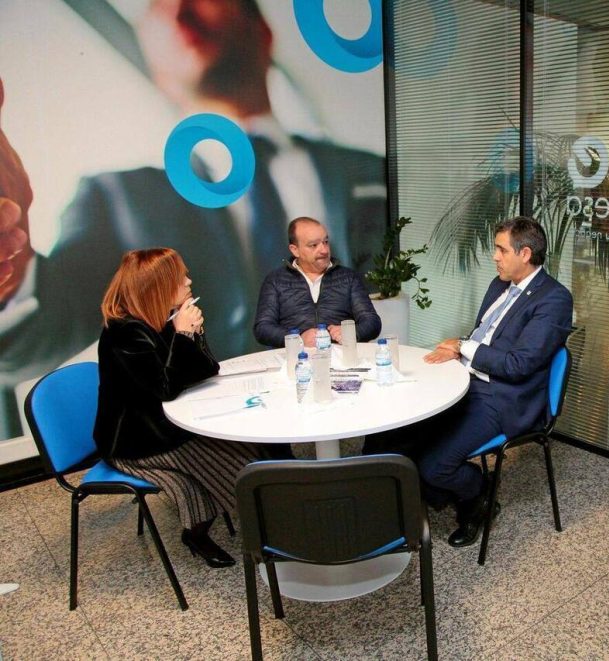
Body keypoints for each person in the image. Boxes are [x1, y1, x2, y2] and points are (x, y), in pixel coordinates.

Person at [0, 0, 386, 438]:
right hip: (211, 434)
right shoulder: (115, 198)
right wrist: (8, 266)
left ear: (262, 30)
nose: (177, 14)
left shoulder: (371, 171)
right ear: (155, 66)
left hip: (358, 412)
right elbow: (48, 328)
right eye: (157, 9)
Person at [364, 217, 573, 547]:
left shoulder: (554, 299)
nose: (495, 256)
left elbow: (518, 364)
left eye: (501, 250)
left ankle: (477, 494)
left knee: (433, 466)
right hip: (464, 381)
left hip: (503, 398)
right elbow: (487, 336)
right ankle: (403, 501)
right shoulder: (499, 285)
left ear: (525, 254)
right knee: (389, 435)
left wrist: (464, 347)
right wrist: (459, 348)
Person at [95, 248, 272, 569]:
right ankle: (268, 530)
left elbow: (207, 369)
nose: (189, 281)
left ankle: (248, 524)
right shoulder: (123, 333)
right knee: (235, 460)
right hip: (136, 439)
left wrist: (195, 334)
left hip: (167, 423)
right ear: (158, 287)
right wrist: (184, 335)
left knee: (249, 445)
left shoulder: (161, 317)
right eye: (181, 278)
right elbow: (164, 387)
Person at [253, 217, 381, 347]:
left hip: (341, 355)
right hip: (296, 357)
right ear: (295, 250)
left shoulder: (348, 277)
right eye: (313, 245)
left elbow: (372, 322)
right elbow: (263, 328)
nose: (324, 250)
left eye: (325, 242)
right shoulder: (276, 280)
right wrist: (298, 339)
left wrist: (350, 332)